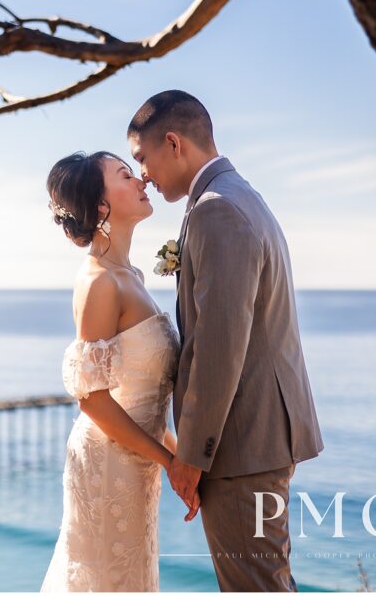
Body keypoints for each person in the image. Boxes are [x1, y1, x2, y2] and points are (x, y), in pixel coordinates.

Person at [126, 89, 325, 591]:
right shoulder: (239, 196)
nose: (143, 174)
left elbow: (219, 346)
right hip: (259, 439)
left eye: (142, 159)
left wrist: (191, 456)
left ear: (172, 143)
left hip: (243, 445)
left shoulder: (217, 209)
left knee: (254, 587)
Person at [39, 150, 186, 592]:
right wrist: (171, 462)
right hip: (108, 465)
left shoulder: (132, 274)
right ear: (101, 206)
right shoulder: (100, 282)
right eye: (125, 175)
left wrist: (182, 461)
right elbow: (94, 398)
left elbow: (139, 395)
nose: (141, 179)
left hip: (136, 462)